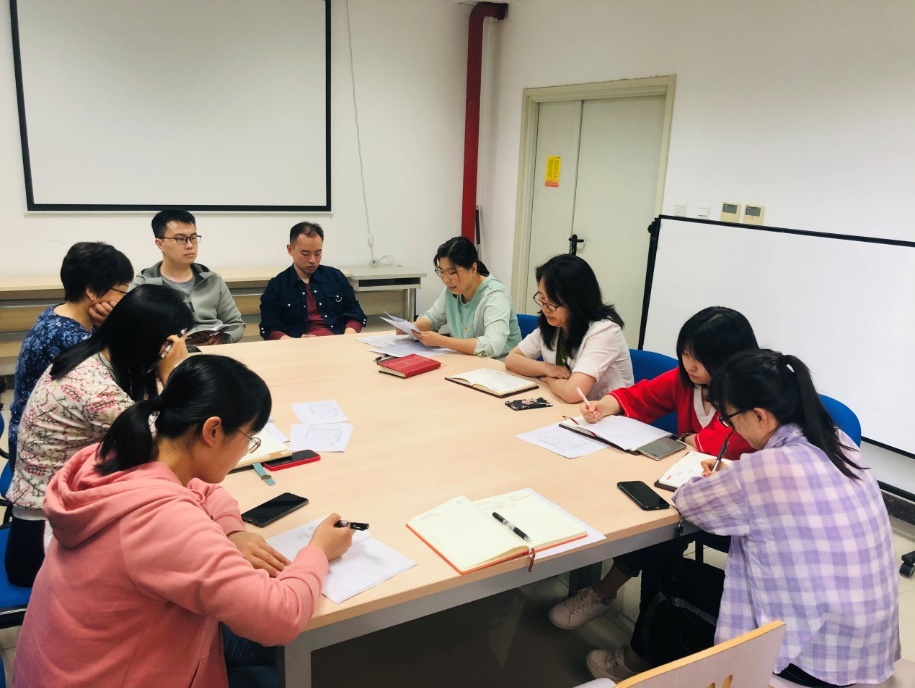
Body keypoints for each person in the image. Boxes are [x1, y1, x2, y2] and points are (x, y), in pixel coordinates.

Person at [12, 355, 355, 688]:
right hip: (113, 674)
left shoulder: (118, 453)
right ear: (213, 431)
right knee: (285, 648)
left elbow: (202, 489)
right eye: (249, 439)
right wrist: (318, 552)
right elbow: (280, 618)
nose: (246, 449)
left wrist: (232, 531)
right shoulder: (163, 522)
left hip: (63, 666)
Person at [589, 349, 901, 685]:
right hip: (864, 644)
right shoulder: (838, 443)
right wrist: (735, 480)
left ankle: (636, 663)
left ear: (760, 417)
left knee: (668, 578)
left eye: (729, 419)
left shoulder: (769, 468)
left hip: (811, 659)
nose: (730, 428)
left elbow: (689, 502)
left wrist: (727, 481)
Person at [548, 307, 758, 655]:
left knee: (664, 530)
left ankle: (625, 628)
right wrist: (604, 406)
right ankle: (635, 633)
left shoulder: (750, 394)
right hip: (686, 483)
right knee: (657, 516)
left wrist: (696, 439)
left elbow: (732, 443)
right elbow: (640, 396)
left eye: (699, 358)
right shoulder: (686, 380)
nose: (689, 365)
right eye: (685, 354)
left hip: (735, 506)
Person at [4, 284, 193, 587]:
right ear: (155, 341)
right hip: (44, 539)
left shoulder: (98, 356)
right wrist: (173, 372)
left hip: (60, 511)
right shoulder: (96, 390)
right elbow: (170, 447)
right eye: (174, 342)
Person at [7, 242, 133, 471]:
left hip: (38, 433)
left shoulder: (58, 315)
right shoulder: (69, 338)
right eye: (122, 292)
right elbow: (115, 387)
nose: (124, 300)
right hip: (43, 452)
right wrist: (118, 326)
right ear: (92, 291)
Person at [505, 254, 633, 402]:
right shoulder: (553, 323)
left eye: (553, 302)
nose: (545, 309)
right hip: (567, 406)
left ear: (576, 301)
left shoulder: (604, 332)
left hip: (607, 413)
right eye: (542, 299)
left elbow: (573, 393)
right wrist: (546, 368)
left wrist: (549, 380)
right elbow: (512, 360)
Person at [135, 208, 245, 344]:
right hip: (173, 352)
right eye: (180, 239)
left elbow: (236, 324)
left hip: (214, 351)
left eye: (193, 238)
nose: (189, 245)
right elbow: (134, 334)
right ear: (160, 244)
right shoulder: (143, 286)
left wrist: (224, 339)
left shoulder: (212, 280)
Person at [408, 237, 521, 358]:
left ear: (473, 269)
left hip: (498, 365)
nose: (446, 280)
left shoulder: (495, 295)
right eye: (441, 272)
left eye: (452, 273)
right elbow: (433, 318)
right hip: (466, 361)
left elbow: (492, 345)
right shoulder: (452, 290)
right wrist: (413, 327)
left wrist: (441, 341)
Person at [259, 222, 367, 339]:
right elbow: (270, 326)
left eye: (317, 253)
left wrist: (347, 337)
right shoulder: (277, 285)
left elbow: (354, 311)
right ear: (290, 250)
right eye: (305, 254)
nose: (312, 260)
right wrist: (291, 342)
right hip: (296, 345)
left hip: (337, 340)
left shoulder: (336, 277)